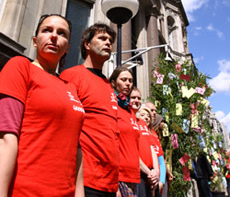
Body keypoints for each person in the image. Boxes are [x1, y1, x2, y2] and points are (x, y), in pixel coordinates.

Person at [0, 14, 85, 197]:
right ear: (35, 41)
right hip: (25, 191)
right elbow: (6, 136)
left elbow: (76, 150)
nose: (54, 36)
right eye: (47, 30)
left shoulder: (70, 88)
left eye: (62, 33)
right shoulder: (21, 67)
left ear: (68, 48)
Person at [60, 23, 119, 197]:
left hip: (110, 183)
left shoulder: (109, 85)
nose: (108, 43)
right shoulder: (71, 76)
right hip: (85, 179)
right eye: (102, 38)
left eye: (110, 40)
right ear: (87, 45)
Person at [110, 68, 156, 197]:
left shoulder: (130, 112)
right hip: (118, 176)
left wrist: (151, 173)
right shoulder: (112, 107)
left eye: (130, 80)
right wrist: (113, 182)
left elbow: (134, 149)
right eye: (123, 80)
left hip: (133, 176)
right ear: (113, 83)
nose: (127, 83)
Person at [136, 104, 159, 197]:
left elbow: (152, 150)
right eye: (143, 115)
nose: (146, 117)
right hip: (140, 173)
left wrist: (156, 171)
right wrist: (149, 173)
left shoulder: (148, 132)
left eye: (148, 116)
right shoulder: (135, 127)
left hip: (150, 174)